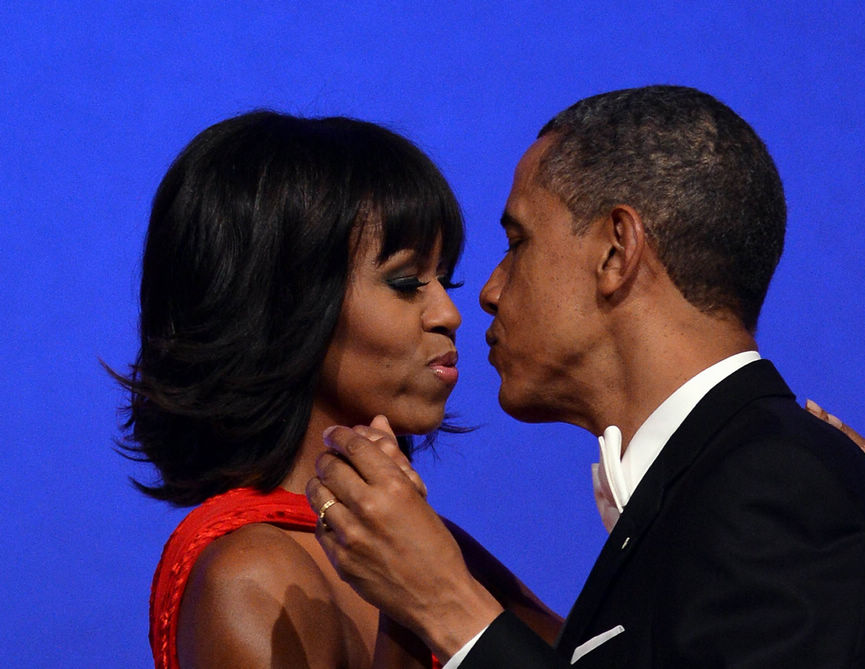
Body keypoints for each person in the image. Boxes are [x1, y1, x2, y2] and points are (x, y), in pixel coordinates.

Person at [306, 86, 865, 667]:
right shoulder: (733, 489)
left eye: (518, 242)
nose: (488, 293)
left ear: (616, 251)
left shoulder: (776, 488)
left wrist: (451, 611)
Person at [114, 111, 560, 669]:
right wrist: (410, 607)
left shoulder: (435, 547)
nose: (450, 313)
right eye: (406, 283)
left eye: (446, 279)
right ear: (283, 307)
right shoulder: (249, 573)